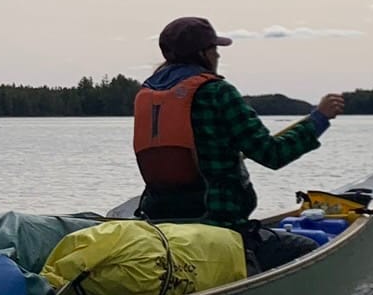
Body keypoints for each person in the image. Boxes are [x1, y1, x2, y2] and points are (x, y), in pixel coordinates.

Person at [133, 16, 345, 271]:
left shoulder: (147, 94)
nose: (218, 56)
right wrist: (319, 119)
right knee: (307, 249)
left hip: (161, 229)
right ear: (203, 53)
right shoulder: (218, 92)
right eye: (215, 49)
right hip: (219, 229)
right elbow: (272, 153)